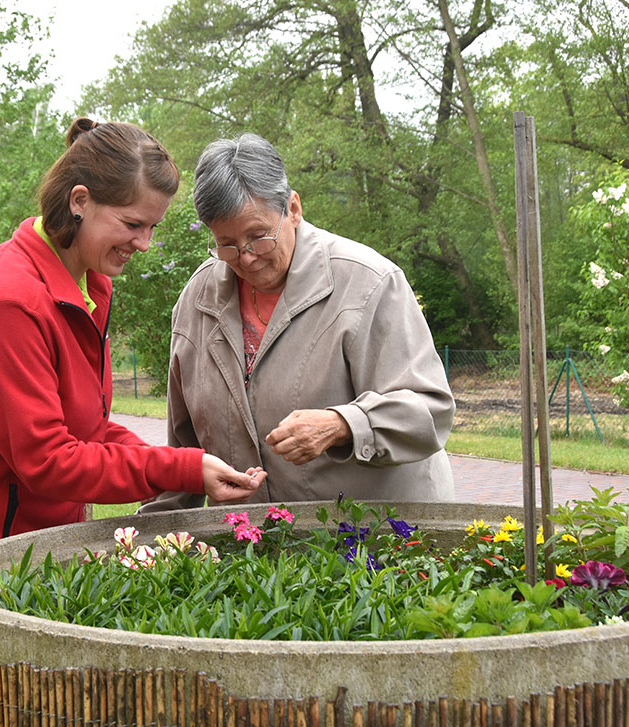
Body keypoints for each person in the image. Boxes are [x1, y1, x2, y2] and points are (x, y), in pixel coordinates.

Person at [0, 118, 265, 727]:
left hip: (27, 555)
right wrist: (176, 465)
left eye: (153, 226)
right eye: (133, 223)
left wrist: (190, 467)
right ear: (79, 201)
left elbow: (89, 431)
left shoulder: (88, 286)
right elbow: (47, 461)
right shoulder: (7, 303)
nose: (145, 243)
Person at [143, 132, 454, 513]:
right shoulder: (196, 302)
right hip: (260, 553)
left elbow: (428, 409)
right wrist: (158, 538)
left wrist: (343, 424)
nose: (246, 258)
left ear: (293, 208)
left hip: (378, 545)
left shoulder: (368, 283)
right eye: (226, 244)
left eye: (258, 237)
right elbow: (185, 448)